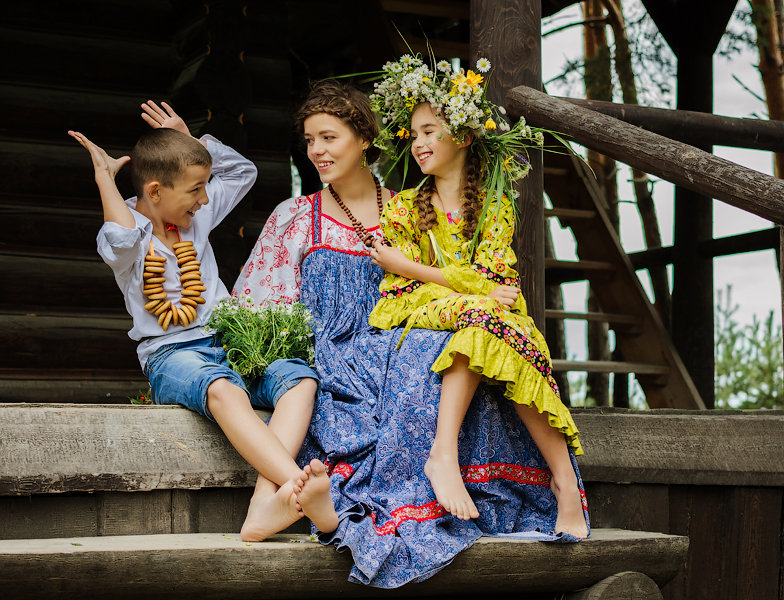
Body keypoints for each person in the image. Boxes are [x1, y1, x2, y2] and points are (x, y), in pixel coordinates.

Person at [236, 76, 588, 589]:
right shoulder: (295, 217)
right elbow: (260, 308)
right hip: (334, 351)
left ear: (364, 139)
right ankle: (329, 503)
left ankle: (463, 478)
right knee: (412, 365)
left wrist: (469, 293)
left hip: (403, 333)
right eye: (309, 140)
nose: (316, 150)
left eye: (329, 137)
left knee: (446, 358)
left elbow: (447, 283)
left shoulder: (407, 209)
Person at [69, 101, 319, 543]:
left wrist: (191, 139)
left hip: (228, 341)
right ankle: (298, 483)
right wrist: (105, 179)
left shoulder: (195, 217)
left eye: (205, 187)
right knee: (222, 388)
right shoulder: (128, 235)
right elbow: (121, 240)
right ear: (155, 191)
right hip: (171, 355)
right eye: (196, 189)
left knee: (300, 379)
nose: (205, 199)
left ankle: (270, 498)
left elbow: (243, 174)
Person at [366, 55, 589, 538]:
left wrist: (412, 264)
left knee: (494, 325)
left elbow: (498, 280)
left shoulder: (495, 204)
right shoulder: (404, 207)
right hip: (417, 306)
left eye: (429, 130)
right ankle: (443, 454)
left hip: (482, 312)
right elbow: (402, 290)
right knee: (485, 315)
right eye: (414, 133)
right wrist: (438, 278)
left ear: (464, 136)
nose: (418, 142)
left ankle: (564, 482)